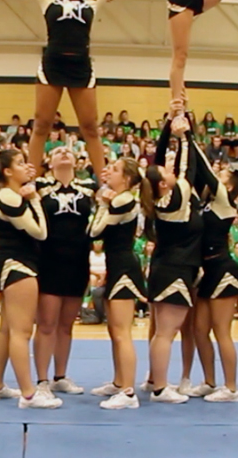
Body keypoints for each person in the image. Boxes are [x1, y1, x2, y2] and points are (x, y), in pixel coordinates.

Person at [0, 0, 150, 178]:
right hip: (53, 66)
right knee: (41, 124)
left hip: (81, 67)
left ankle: (104, 180)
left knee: (90, 127)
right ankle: (29, 176)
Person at [0, 149, 60, 409]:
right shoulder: (8, 196)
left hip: (14, 263)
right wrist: (34, 198)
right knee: (21, 331)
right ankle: (28, 393)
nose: (27, 166)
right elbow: (40, 232)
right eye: (20, 163)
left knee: (7, 328)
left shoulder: (11, 194)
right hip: (19, 265)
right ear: (7, 171)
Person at [141, 106, 207, 404]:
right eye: (166, 173)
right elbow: (188, 165)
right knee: (166, 333)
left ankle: (155, 379)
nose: (168, 168)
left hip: (163, 268)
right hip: (177, 270)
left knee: (160, 332)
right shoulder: (176, 197)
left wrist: (168, 125)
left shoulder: (159, 197)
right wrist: (185, 134)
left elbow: (156, 164)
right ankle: (160, 388)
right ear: (164, 183)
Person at [33, 146, 96, 398]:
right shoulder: (39, 186)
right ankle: (41, 379)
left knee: (67, 324)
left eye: (68, 151)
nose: (64, 153)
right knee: (47, 323)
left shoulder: (89, 188)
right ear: (49, 161)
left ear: (77, 161)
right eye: (58, 151)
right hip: (49, 260)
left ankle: (60, 375)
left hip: (78, 260)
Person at [87, 158, 150, 409]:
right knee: (114, 330)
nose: (108, 172)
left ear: (126, 179)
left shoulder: (124, 200)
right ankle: (119, 381)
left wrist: (103, 204)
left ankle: (128, 391)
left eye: (114, 170)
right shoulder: (119, 199)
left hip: (124, 267)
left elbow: (95, 232)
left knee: (122, 332)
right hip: (116, 265)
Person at [192, 154, 238, 403]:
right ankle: (209, 381)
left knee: (221, 331)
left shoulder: (225, 202)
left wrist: (188, 135)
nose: (216, 177)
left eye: (222, 176)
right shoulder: (208, 202)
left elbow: (205, 172)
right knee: (199, 330)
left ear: (228, 186)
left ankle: (231, 387)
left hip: (223, 270)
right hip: (207, 269)